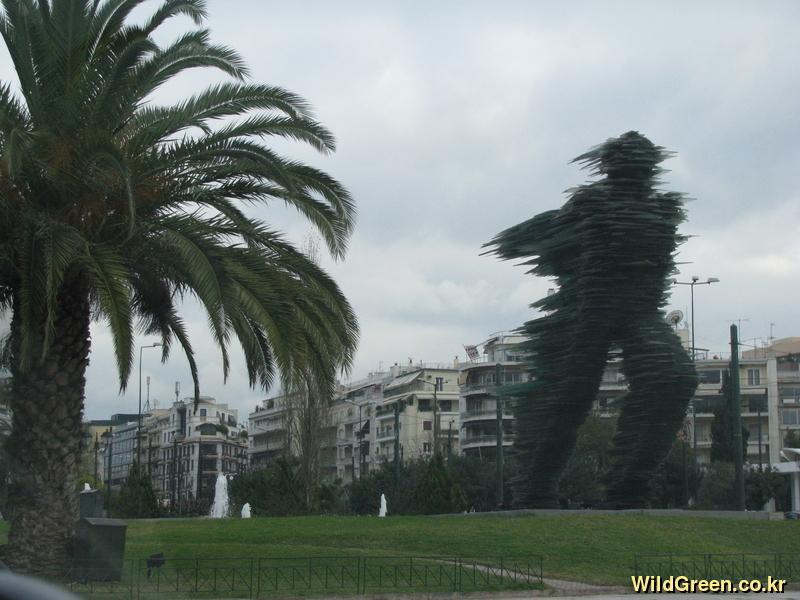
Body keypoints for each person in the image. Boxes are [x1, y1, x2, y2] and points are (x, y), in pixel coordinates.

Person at [486, 132, 698, 508]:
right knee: (569, 393)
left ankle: (628, 487)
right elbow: (524, 239)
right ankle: (534, 490)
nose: (632, 171)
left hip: (642, 311)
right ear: (608, 168)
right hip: (590, 310)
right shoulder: (591, 204)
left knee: (674, 377)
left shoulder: (664, 211)